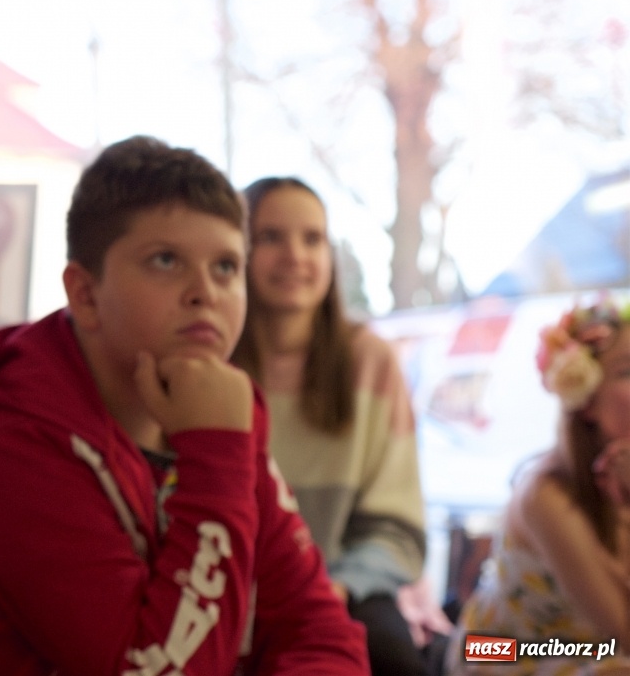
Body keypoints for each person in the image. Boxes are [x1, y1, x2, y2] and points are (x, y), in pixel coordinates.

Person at [0, 136, 368, 676]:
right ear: (84, 295)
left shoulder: (217, 411)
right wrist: (216, 456)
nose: (205, 293)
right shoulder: (10, 450)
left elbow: (318, 626)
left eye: (225, 267)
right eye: (166, 260)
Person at [231, 177, 431, 676]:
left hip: (341, 588)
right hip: (227, 589)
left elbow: (397, 529)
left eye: (312, 238)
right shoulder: (212, 363)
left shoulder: (372, 361)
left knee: (393, 658)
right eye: (271, 237)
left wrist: (330, 589)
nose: (295, 255)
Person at [444, 302, 630, 675]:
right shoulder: (546, 495)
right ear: (586, 401)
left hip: (586, 647)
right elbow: (622, 629)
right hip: (496, 649)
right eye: (627, 371)